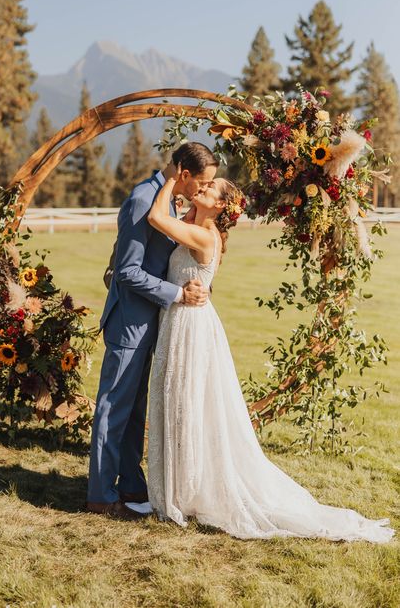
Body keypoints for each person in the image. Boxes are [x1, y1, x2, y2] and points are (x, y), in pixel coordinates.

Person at [146, 165, 394, 543]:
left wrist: (169, 179)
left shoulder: (203, 234)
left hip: (191, 326)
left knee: (187, 402)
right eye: (205, 183)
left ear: (220, 208)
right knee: (180, 401)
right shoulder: (194, 224)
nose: (202, 186)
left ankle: (186, 491)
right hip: (182, 320)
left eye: (210, 188)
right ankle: (182, 486)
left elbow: (155, 217)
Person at [86, 143, 218, 520]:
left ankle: (130, 485)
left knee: (134, 413)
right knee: (114, 410)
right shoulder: (142, 200)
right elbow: (127, 272)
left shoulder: (170, 200)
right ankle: (100, 495)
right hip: (129, 323)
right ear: (184, 173)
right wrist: (178, 293)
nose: (203, 189)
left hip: (154, 324)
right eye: (202, 182)